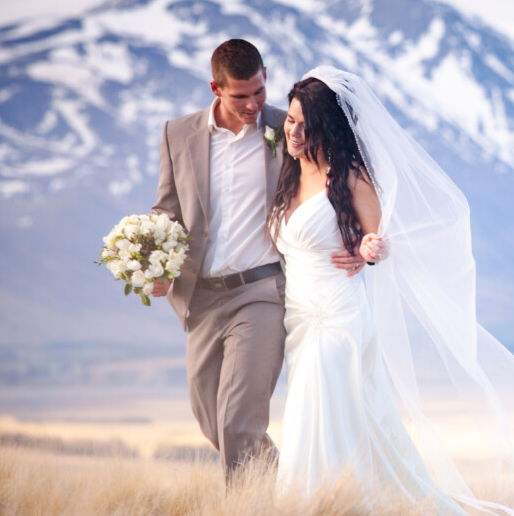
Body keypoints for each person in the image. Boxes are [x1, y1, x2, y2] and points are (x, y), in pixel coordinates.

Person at [269, 67, 514, 516]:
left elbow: (379, 240)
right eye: (290, 121)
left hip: (338, 316)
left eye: (305, 125)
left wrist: (371, 249)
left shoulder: (348, 178)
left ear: (328, 127)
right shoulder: (288, 171)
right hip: (298, 320)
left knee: (322, 412)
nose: (294, 132)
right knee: (324, 416)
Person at [150, 40, 365, 482]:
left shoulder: (286, 129)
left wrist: (358, 240)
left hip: (263, 293)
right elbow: (166, 210)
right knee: (210, 415)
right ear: (216, 88)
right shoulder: (178, 134)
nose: (253, 104)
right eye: (240, 96)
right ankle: (285, 489)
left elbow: (343, 176)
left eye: (259, 92)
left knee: (239, 419)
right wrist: (154, 263)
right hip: (202, 296)